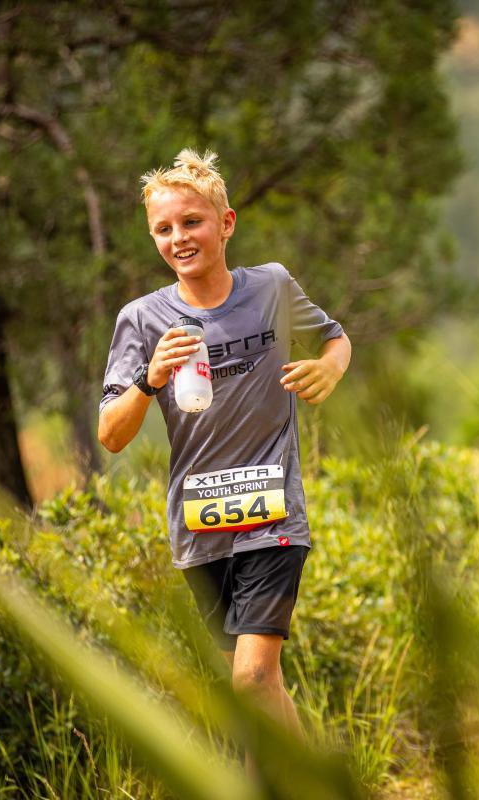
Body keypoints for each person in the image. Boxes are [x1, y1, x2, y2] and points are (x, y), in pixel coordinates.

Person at [97, 148, 351, 757]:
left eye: (192, 222)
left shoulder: (271, 287)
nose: (179, 238)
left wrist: (329, 369)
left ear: (226, 223)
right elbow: (110, 434)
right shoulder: (142, 319)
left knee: (252, 679)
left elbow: (335, 339)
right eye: (164, 229)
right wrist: (150, 379)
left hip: (273, 517)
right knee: (262, 687)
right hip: (200, 527)